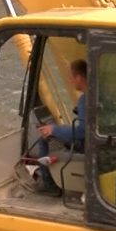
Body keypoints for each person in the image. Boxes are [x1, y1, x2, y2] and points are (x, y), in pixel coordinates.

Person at [29, 59, 87, 196]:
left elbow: (82, 132)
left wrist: (54, 130)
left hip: (87, 146)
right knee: (53, 130)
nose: (70, 81)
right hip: (95, 144)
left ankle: (49, 185)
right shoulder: (97, 95)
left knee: (44, 136)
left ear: (78, 78)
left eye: (71, 77)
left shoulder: (85, 100)